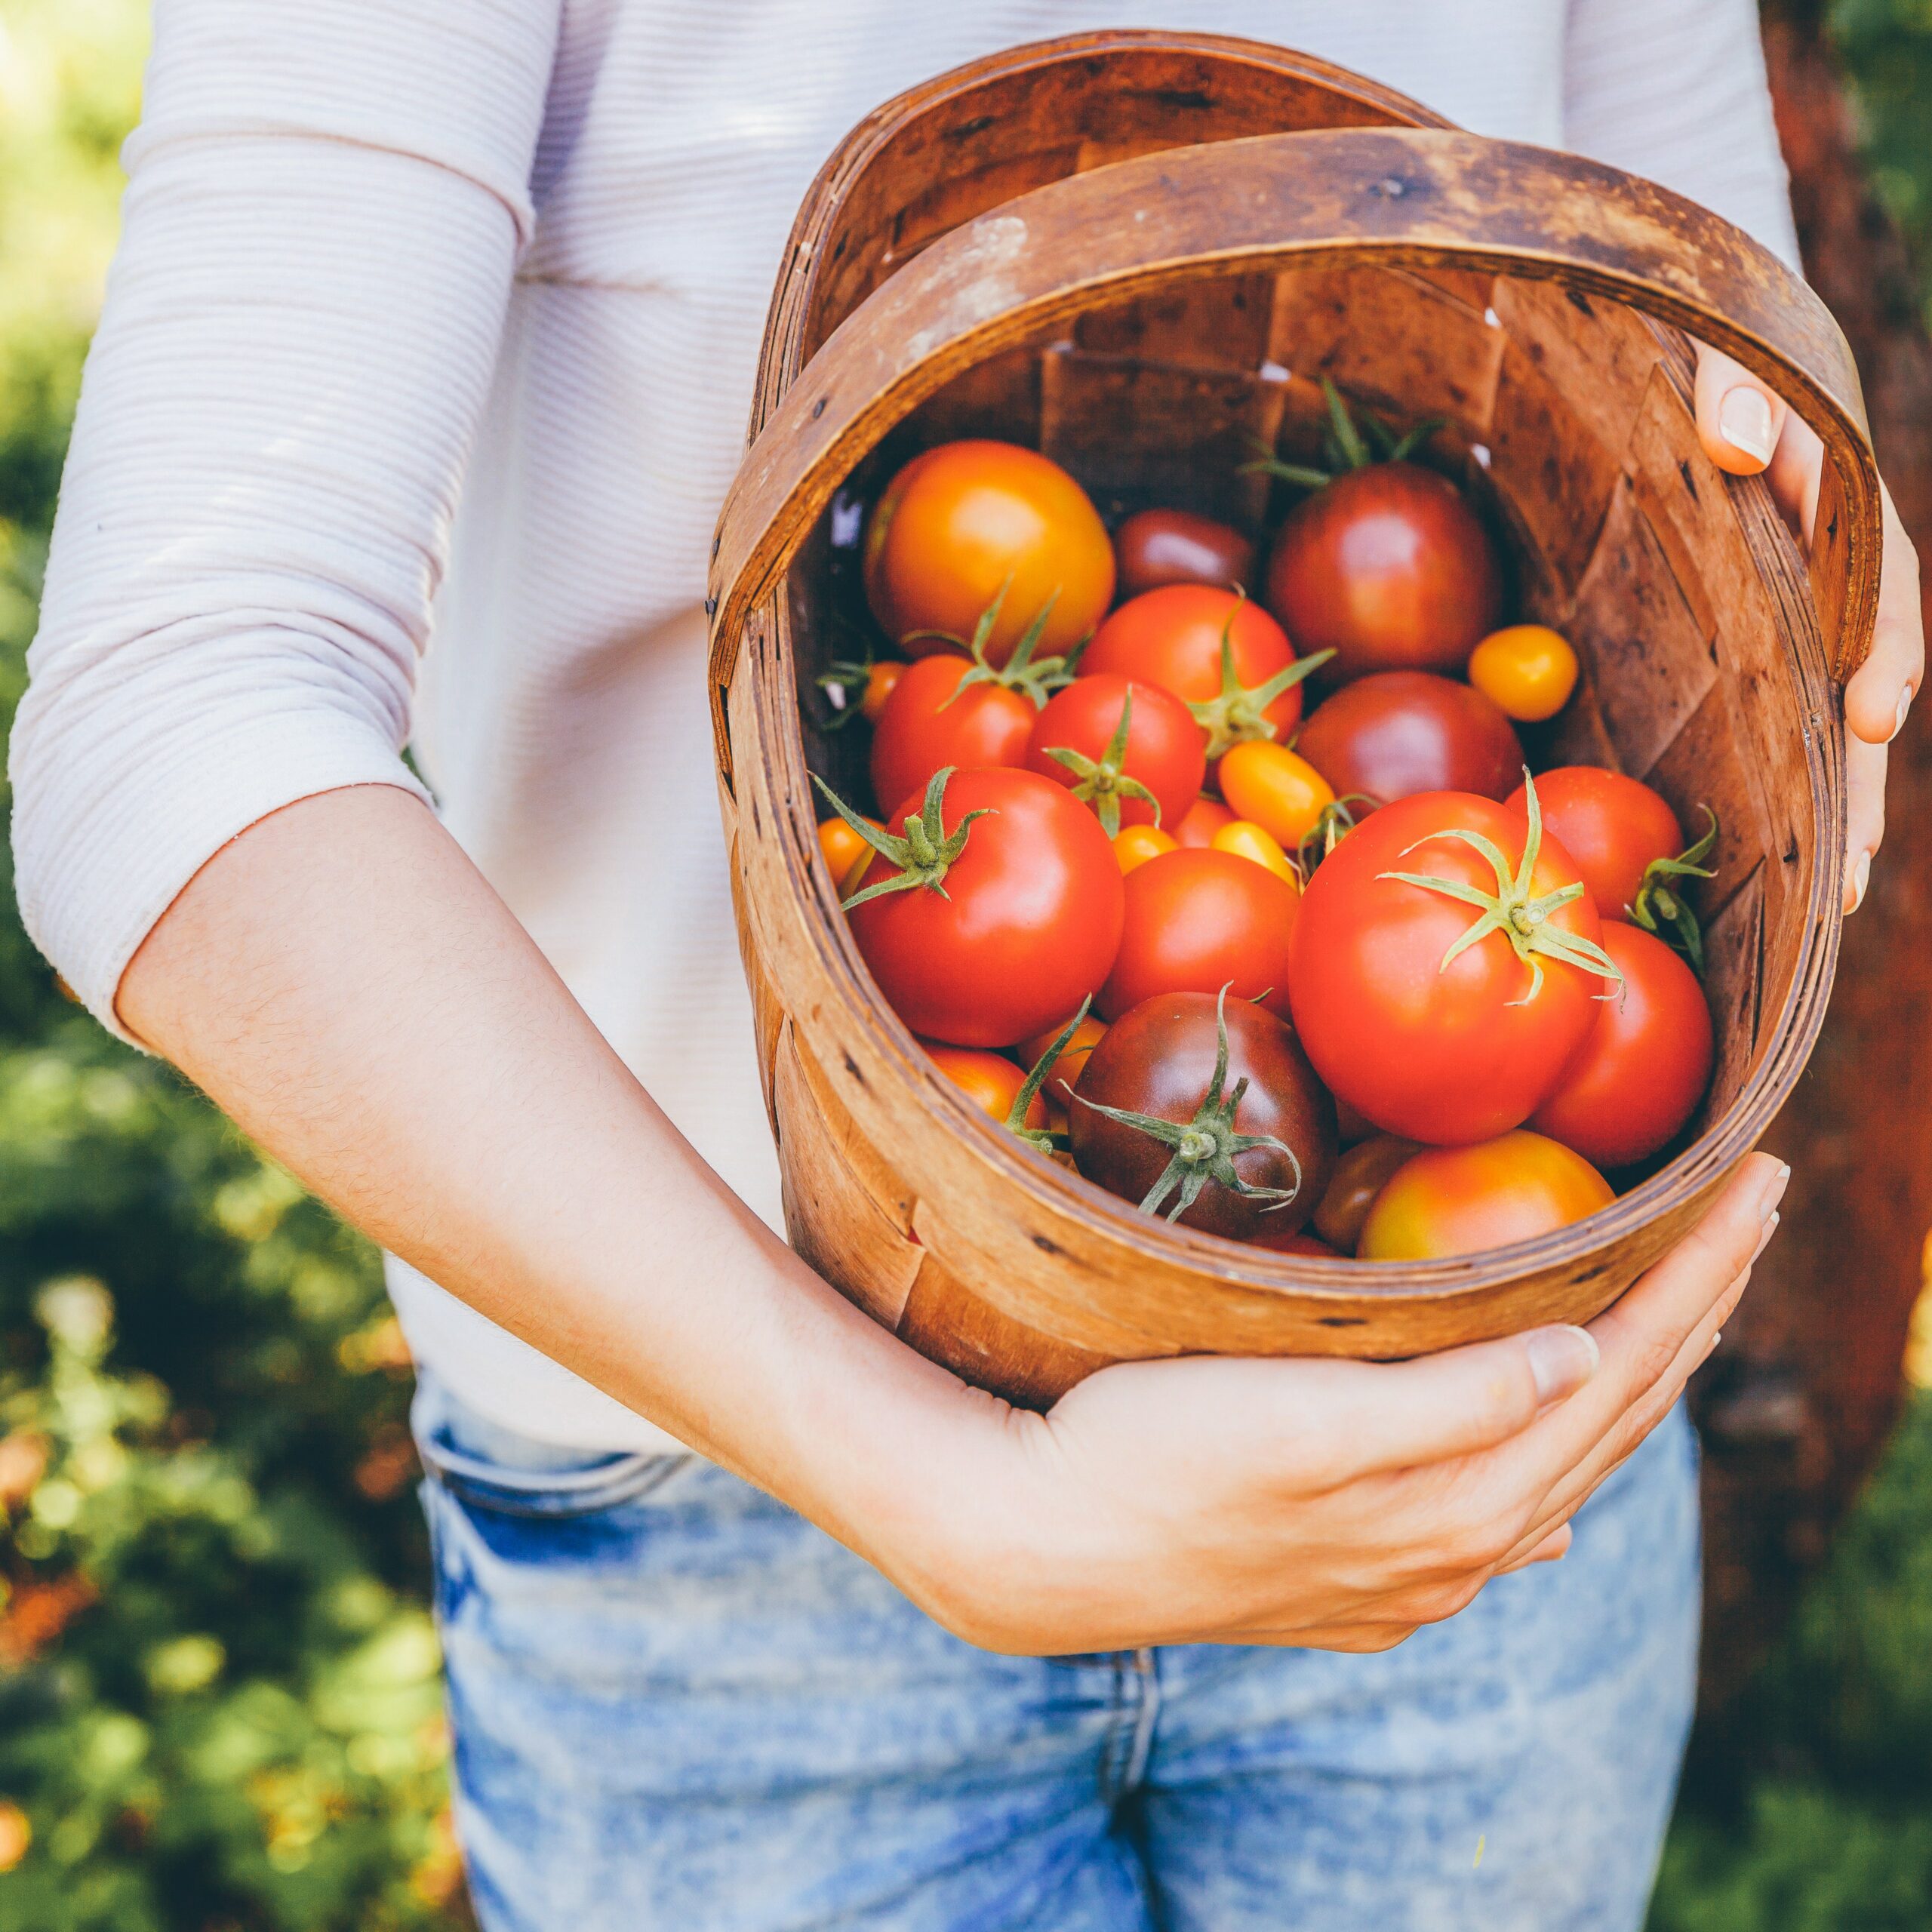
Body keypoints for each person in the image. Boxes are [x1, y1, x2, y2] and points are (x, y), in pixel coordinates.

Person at [10, 2, 1921, 1927]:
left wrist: (1806, 544)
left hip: (1461, 1439)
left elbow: (1703, 368)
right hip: (710, 1494)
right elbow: (171, 726)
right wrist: (953, 1497)